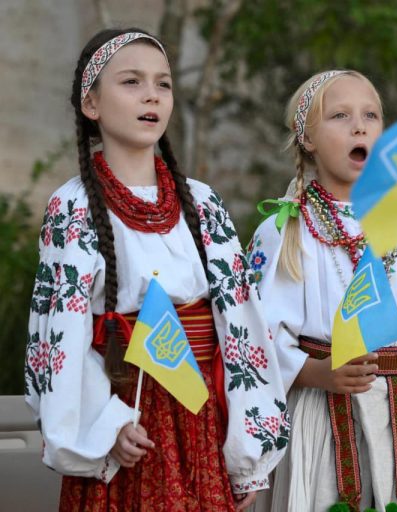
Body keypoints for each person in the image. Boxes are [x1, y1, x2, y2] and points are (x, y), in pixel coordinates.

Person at [24, 28, 289, 511]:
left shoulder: (202, 203)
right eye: (132, 82)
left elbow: (242, 324)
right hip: (127, 421)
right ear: (91, 103)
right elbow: (58, 339)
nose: (152, 95)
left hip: (201, 415)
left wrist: (247, 451)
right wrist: (105, 426)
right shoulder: (73, 207)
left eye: (163, 84)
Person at [247, 69, 397, 512]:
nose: (359, 126)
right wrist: (316, 372)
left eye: (371, 115)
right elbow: (255, 338)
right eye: (340, 115)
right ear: (307, 138)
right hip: (318, 420)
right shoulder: (285, 230)